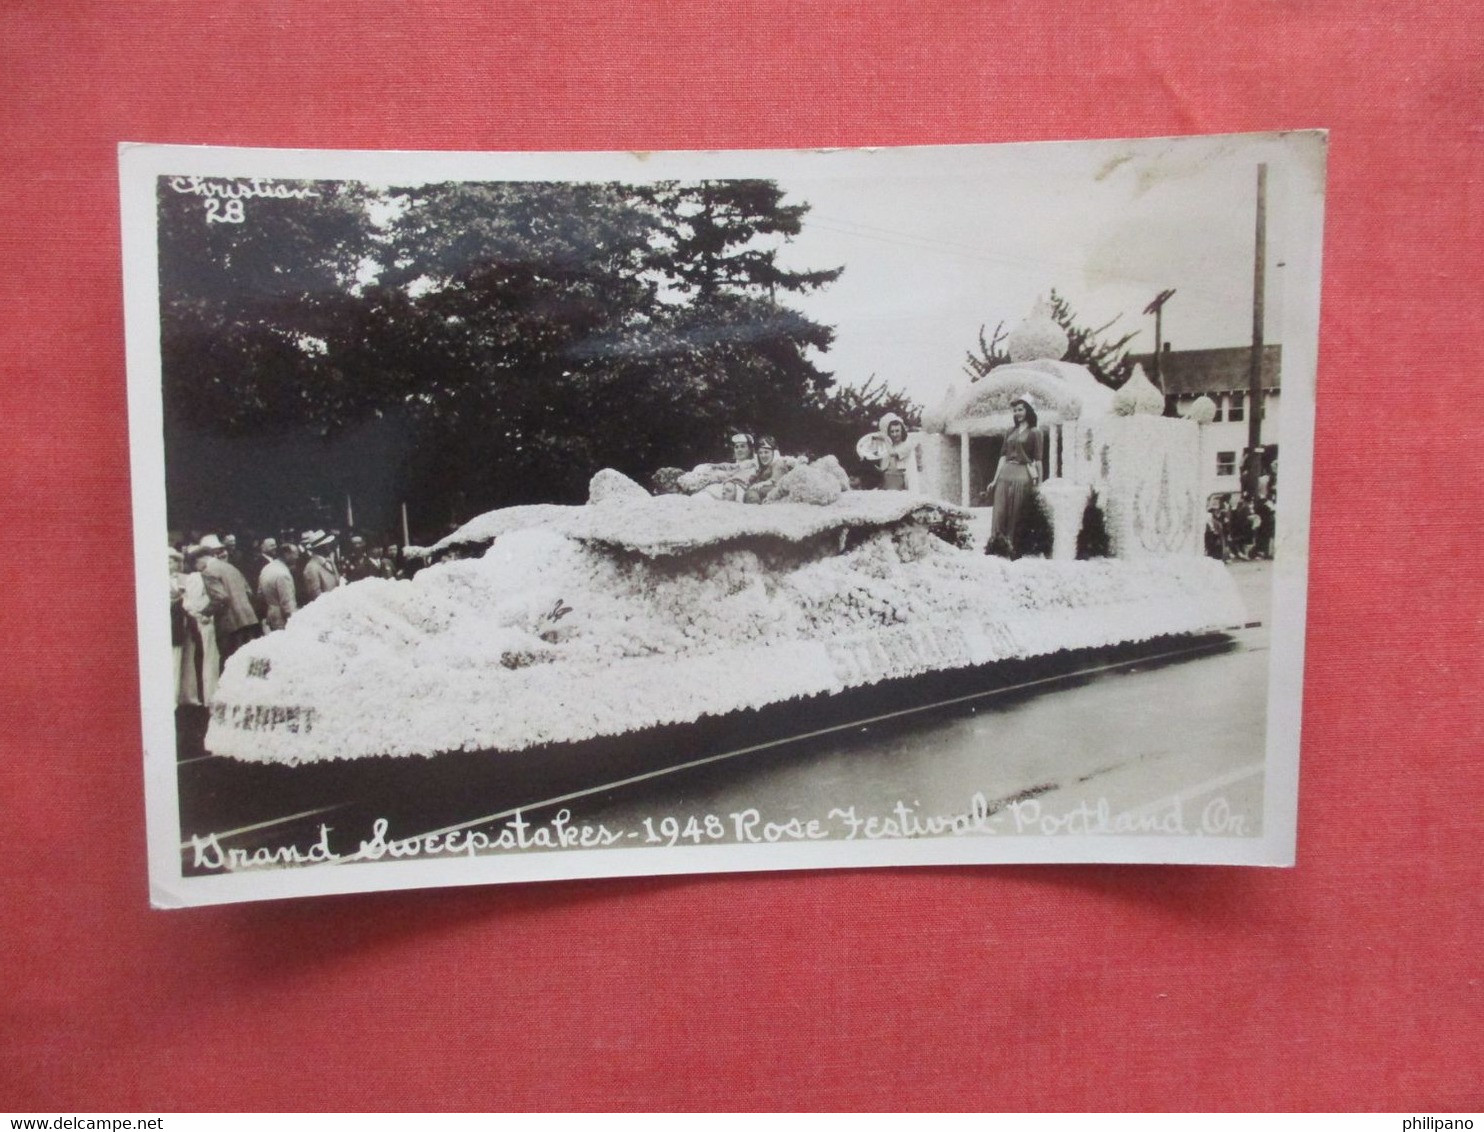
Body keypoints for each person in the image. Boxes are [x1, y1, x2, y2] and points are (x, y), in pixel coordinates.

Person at [986, 397, 1043, 556]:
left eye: (1021, 409)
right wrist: (994, 479)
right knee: (1000, 512)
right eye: (1015, 410)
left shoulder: (1035, 432)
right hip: (1005, 475)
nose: (1017, 413)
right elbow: (1003, 456)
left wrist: (1040, 483)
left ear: (1028, 410)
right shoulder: (1009, 431)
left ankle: (1013, 550)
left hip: (1023, 475)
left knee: (1016, 514)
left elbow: (1038, 460)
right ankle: (996, 547)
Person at [195, 533, 261, 664]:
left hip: (230, 624)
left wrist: (205, 612)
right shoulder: (231, 567)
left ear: (201, 558)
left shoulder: (208, 572)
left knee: (229, 664)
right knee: (246, 663)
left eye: (195, 562)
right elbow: (248, 592)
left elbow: (220, 598)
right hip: (248, 619)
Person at [874, 412, 922, 491]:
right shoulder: (890, 445)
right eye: (892, 431)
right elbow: (884, 465)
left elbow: (892, 453)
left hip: (907, 479)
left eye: (897, 431)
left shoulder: (908, 444)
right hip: (892, 480)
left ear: (902, 431)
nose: (894, 434)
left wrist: (885, 439)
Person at [258, 543, 300, 631]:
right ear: (287, 554)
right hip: (282, 619)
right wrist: (297, 624)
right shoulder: (283, 574)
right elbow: (288, 604)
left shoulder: (266, 568)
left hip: (271, 614)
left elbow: (260, 594)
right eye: (295, 553)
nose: (297, 556)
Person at [743, 436, 791, 504]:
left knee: (752, 492)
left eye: (766, 452)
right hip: (770, 493)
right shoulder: (763, 466)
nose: (763, 455)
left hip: (779, 491)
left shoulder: (779, 463)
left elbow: (775, 481)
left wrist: (760, 485)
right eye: (760, 453)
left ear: (774, 452)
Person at [301, 530, 341, 604]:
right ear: (323, 547)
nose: (330, 547)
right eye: (328, 544)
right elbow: (316, 597)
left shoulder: (328, 562)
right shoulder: (311, 568)